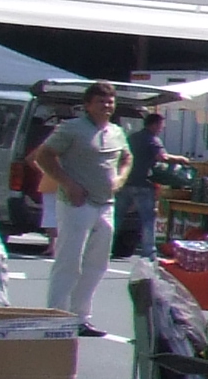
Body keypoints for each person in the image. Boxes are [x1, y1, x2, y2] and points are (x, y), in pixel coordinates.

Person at [31, 80, 132, 332]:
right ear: (88, 105)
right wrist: (67, 183)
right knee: (69, 261)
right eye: (101, 101)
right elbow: (43, 156)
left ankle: (80, 317)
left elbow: (127, 158)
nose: (106, 106)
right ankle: (56, 316)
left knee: (97, 264)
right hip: (77, 203)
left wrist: (120, 179)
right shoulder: (72, 128)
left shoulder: (116, 131)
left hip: (105, 204)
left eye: (110, 102)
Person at [116, 103, 165, 261]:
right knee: (147, 219)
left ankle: (103, 245)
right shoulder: (153, 140)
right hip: (144, 184)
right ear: (154, 124)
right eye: (160, 125)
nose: (161, 128)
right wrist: (180, 159)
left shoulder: (132, 137)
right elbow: (161, 157)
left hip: (127, 181)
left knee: (116, 217)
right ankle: (149, 251)